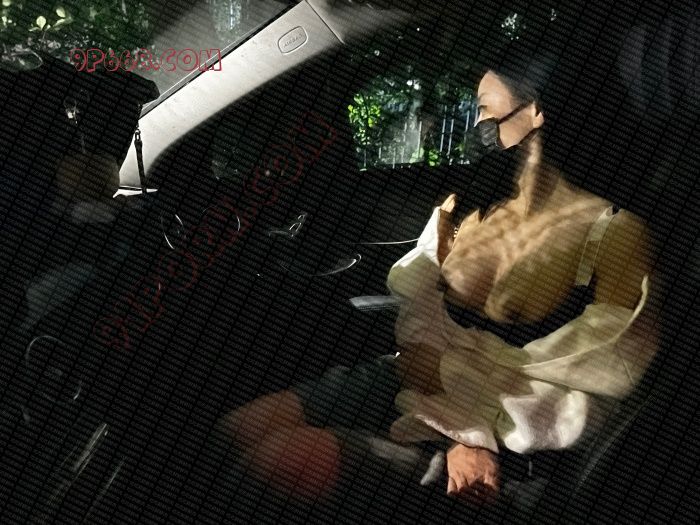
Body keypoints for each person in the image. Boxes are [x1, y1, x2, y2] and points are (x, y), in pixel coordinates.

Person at [216, 48, 658, 509]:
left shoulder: (612, 234)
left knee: (280, 462)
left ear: (536, 112)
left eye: (485, 109)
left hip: (512, 433)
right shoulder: (465, 204)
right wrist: (429, 367)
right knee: (237, 431)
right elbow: (419, 303)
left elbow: (602, 390)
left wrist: (469, 432)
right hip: (414, 380)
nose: (477, 124)